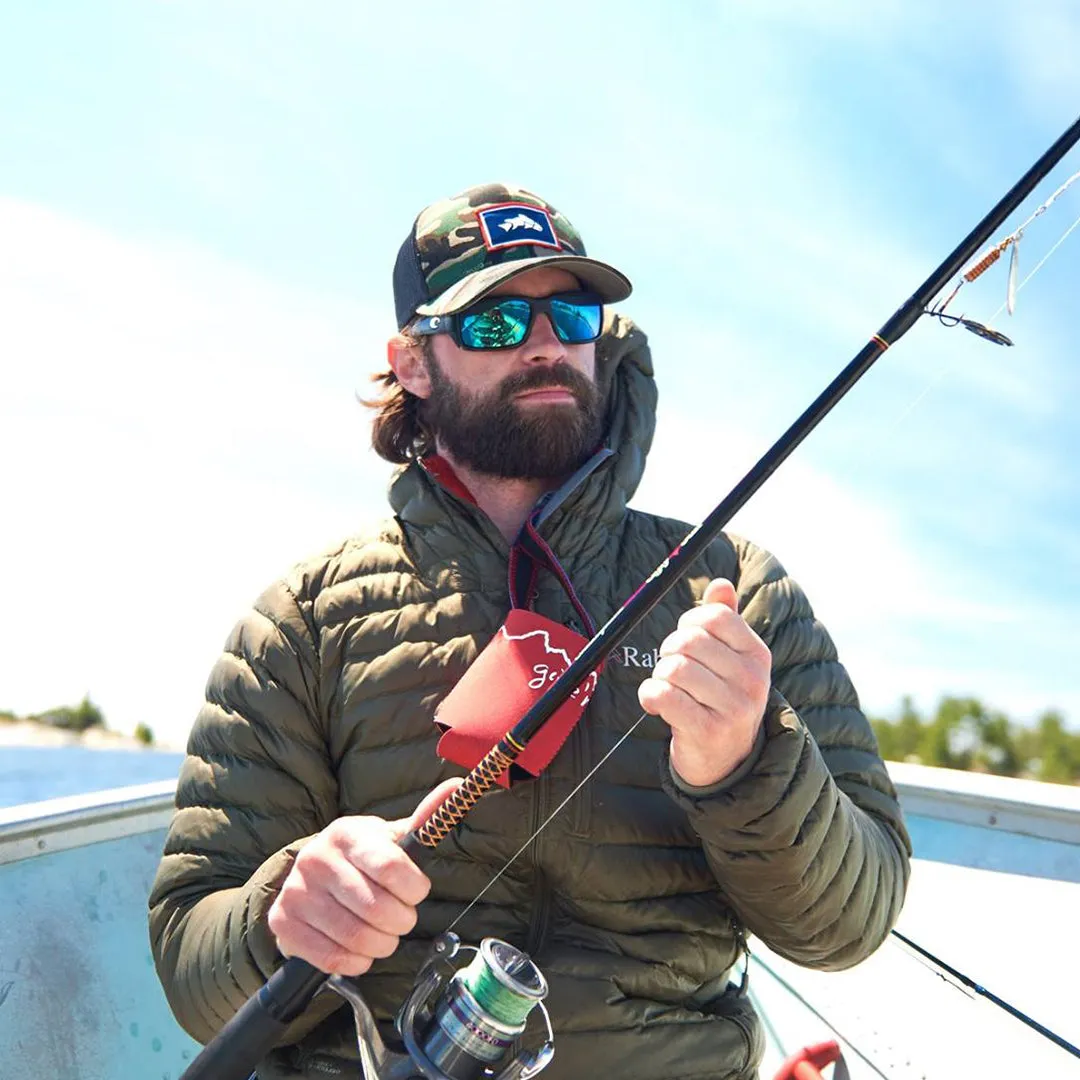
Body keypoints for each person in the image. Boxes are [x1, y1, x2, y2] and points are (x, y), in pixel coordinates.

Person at [149, 183, 911, 1080]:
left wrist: (748, 765)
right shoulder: (304, 622)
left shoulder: (735, 590)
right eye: (494, 322)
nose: (546, 342)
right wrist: (286, 908)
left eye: (572, 314)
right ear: (415, 361)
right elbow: (191, 967)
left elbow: (849, 928)